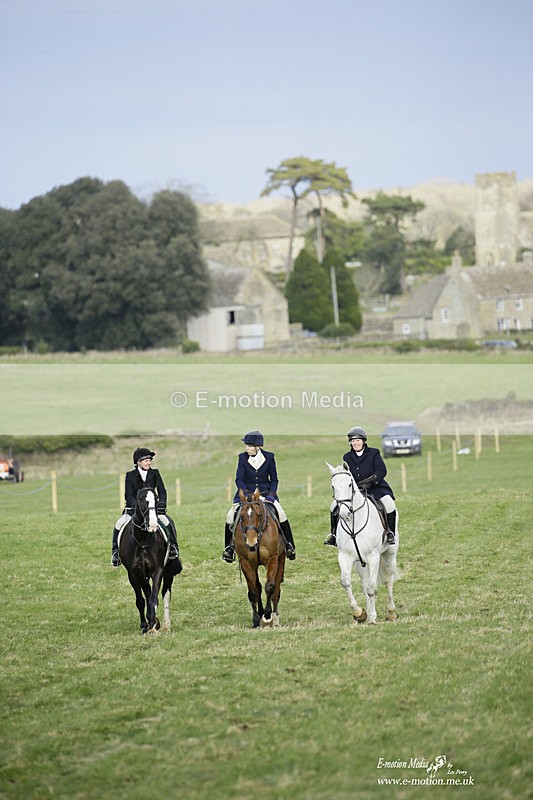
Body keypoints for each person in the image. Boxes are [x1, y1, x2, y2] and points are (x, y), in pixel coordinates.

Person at [222, 430, 296, 563]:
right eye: (246, 446)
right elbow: (239, 479)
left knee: (281, 513)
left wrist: (272, 495)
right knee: (229, 516)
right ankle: (229, 549)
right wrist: (244, 493)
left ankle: (290, 545)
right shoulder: (242, 457)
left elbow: (274, 479)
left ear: (257, 447)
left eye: (249, 446)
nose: (247, 448)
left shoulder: (269, 457)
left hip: (265, 495)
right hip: (245, 496)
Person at [324, 426, 397, 547]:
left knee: (389, 504)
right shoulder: (347, 457)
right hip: (356, 490)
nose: (355, 443)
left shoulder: (374, 453)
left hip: (376, 488)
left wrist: (371, 481)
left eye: (357, 440)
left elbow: (381, 470)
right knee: (334, 506)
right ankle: (334, 535)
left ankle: (390, 533)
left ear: (363, 441)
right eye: (352, 441)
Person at [110, 447, 182, 568]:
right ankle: (116, 553)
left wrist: (162, 504)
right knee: (118, 524)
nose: (148, 462)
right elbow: (128, 494)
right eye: (145, 460)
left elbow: (162, 490)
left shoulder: (155, 473)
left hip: (153, 509)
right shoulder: (130, 475)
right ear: (138, 462)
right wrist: (136, 506)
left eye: (149, 460)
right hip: (134, 511)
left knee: (168, 522)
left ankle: (173, 548)